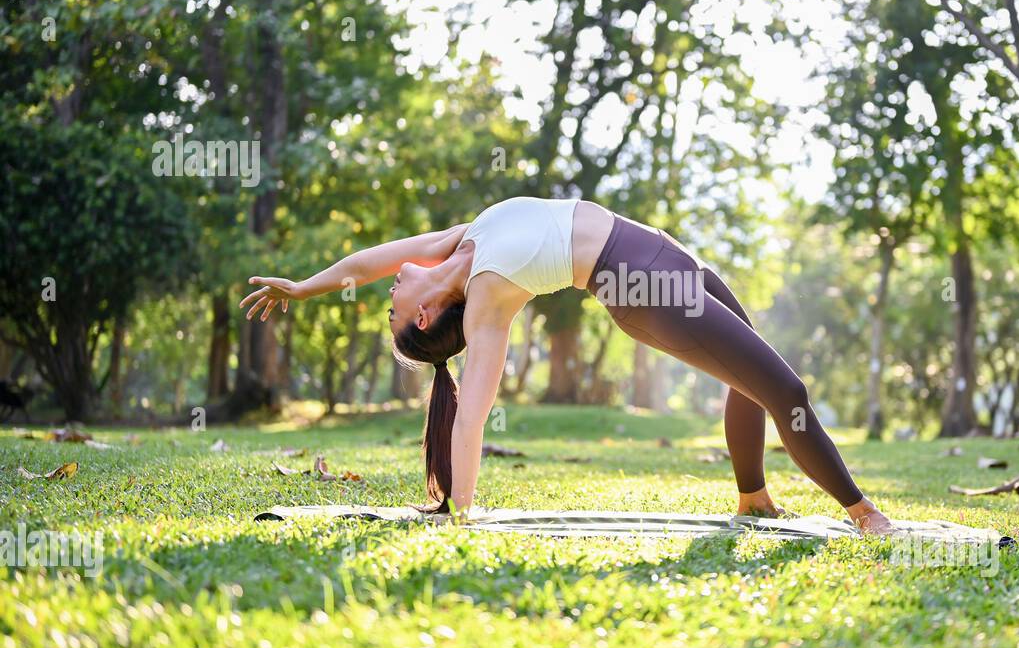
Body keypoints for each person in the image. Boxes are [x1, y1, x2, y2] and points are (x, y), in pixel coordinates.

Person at [240, 197, 894, 534]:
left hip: (658, 250)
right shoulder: (488, 295)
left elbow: (364, 262)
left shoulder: (458, 243)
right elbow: (470, 415)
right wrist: (458, 508)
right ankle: (864, 512)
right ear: (423, 318)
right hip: (639, 283)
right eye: (391, 313)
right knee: (786, 389)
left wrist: (301, 287)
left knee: (749, 376)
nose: (385, 295)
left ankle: (753, 497)